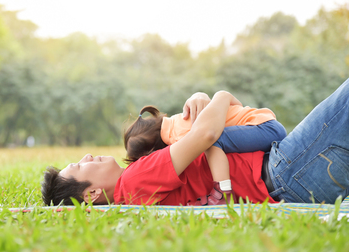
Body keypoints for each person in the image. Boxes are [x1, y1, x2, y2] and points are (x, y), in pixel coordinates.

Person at [41, 78, 349, 206]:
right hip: (286, 174)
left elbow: (184, 132)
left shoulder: (136, 188)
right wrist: (221, 96)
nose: (87, 155)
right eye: (80, 165)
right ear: (92, 193)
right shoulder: (134, 180)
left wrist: (200, 99)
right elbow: (205, 135)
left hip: (288, 178)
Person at [123, 102, 287, 205]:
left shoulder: (180, 136)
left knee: (213, 141)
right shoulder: (177, 122)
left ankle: (223, 192)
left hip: (266, 131)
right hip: (267, 126)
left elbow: (208, 136)